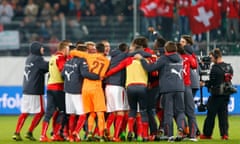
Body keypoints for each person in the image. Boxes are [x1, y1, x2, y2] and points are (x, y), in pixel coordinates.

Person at [135, 41, 186, 142]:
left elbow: (150, 68)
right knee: (180, 111)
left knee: (168, 112)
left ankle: (169, 135)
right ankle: (180, 128)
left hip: (167, 89)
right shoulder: (180, 58)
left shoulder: (164, 58)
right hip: (180, 88)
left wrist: (142, 60)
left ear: (166, 50)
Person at [70, 42, 110, 142]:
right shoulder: (107, 61)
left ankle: (89, 133)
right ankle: (101, 136)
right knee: (100, 113)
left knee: (91, 113)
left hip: (86, 87)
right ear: (104, 51)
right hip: (97, 87)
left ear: (96, 49)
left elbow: (72, 52)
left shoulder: (89, 56)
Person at [62, 42, 100, 142]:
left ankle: (71, 136)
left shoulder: (68, 61)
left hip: (67, 90)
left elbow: (62, 74)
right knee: (83, 114)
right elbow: (84, 73)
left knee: (72, 114)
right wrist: (97, 77)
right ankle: (76, 132)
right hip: (77, 90)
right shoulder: (82, 60)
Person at [12, 41, 49, 141]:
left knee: (25, 112)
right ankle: (30, 131)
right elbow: (48, 67)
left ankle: (17, 132)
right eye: (41, 47)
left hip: (26, 89)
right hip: (36, 90)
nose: (43, 49)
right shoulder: (38, 59)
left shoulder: (29, 58)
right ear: (37, 49)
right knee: (41, 112)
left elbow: (40, 69)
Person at [39, 40, 71, 142]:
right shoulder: (61, 58)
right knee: (64, 111)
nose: (69, 51)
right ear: (64, 48)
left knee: (49, 113)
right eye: (69, 48)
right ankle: (58, 134)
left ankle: (43, 135)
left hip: (50, 87)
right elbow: (62, 70)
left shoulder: (53, 57)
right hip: (59, 87)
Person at [200, 48, 234, 140]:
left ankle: (207, 134)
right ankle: (224, 134)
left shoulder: (215, 68)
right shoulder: (229, 67)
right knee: (223, 115)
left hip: (216, 94)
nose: (210, 60)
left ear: (216, 57)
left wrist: (204, 84)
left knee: (211, 115)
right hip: (226, 94)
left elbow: (212, 82)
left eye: (211, 58)